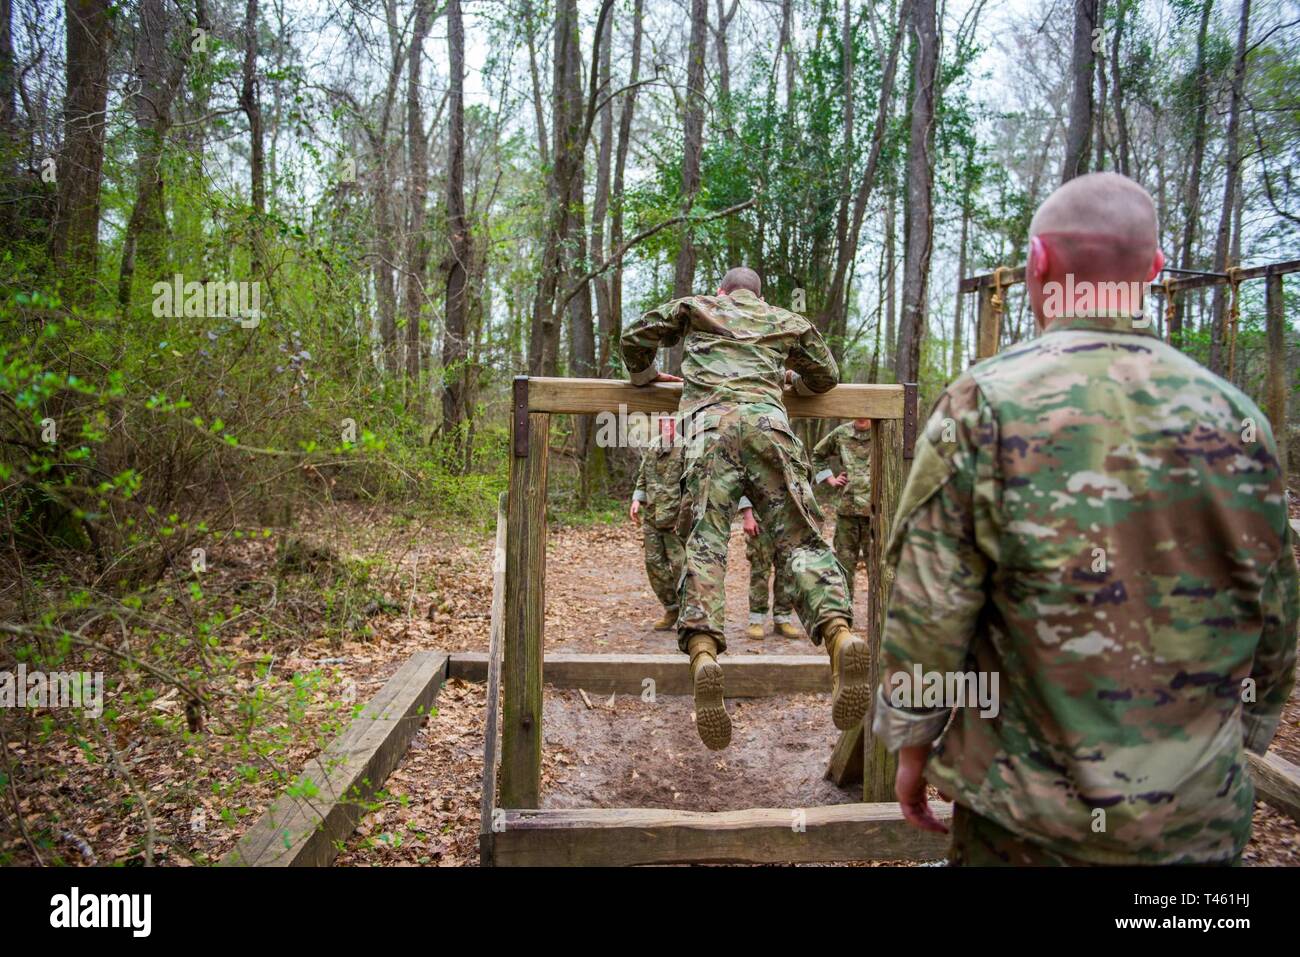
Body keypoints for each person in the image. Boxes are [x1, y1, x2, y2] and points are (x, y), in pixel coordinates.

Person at [873, 171, 1299, 865]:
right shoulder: (1238, 420)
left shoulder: (983, 405)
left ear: (1039, 263)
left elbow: (930, 612)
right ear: (1156, 270)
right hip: (1196, 822)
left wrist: (912, 744)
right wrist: (1238, 738)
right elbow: (1277, 618)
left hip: (1027, 823)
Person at [622, 266, 868, 751]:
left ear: (722, 291)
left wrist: (645, 375)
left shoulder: (697, 308)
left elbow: (635, 334)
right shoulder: (785, 319)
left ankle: (704, 653)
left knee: (706, 542)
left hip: (709, 431)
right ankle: (838, 635)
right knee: (800, 537)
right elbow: (827, 377)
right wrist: (789, 378)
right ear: (760, 295)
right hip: (769, 428)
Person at [630, 415, 686, 630]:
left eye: (671, 421)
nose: (666, 425)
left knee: (681, 567)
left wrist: (683, 518)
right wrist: (637, 499)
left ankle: (687, 613)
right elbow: (643, 476)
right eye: (663, 421)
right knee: (654, 566)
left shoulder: (685, 449)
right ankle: (672, 609)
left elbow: (691, 487)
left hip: (675, 522)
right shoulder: (653, 446)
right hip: (652, 518)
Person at [812, 418, 874, 603]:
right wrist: (829, 479)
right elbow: (817, 455)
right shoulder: (841, 433)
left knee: (879, 569)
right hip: (848, 510)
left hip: (876, 514)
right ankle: (844, 618)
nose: (861, 416)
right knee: (844, 567)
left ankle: (882, 620)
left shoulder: (883, 431)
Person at [738, 495, 801, 639]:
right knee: (760, 572)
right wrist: (747, 515)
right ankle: (756, 620)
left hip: (789, 522)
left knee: (788, 572)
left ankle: (783, 619)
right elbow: (745, 483)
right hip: (761, 523)